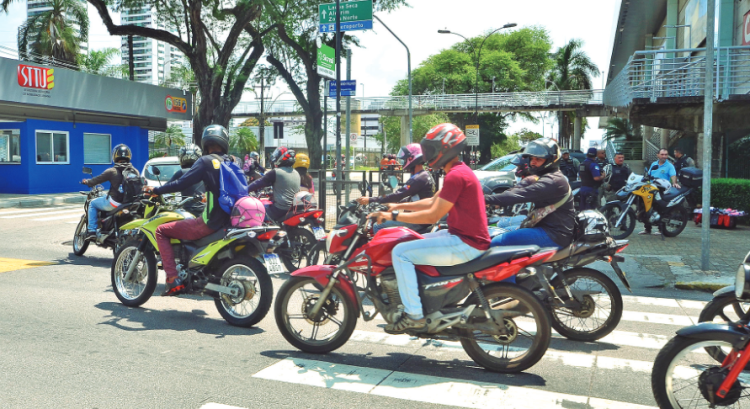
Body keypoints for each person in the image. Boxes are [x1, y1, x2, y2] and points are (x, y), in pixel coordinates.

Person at [368, 123, 490, 334]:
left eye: (432, 149)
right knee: (412, 241)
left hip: (465, 242)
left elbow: (434, 214)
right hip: (462, 237)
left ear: (446, 148)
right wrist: (399, 205)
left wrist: (392, 215)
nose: (428, 155)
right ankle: (427, 297)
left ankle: (414, 315)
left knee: (400, 253)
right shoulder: (458, 171)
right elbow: (432, 201)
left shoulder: (456, 175)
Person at [145, 125, 234, 296]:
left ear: (206, 143)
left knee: (161, 230)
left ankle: (172, 279)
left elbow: (180, 184)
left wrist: (155, 190)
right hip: (230, 220)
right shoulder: (232, 161)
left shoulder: (206, 162)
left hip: (210, 221)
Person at [485, 139, 575, 249]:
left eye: (538, 159)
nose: (533, 162)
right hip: (542, 227)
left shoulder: (553, 180)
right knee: (496, 232)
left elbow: (518, 195)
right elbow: (516, 190)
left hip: (554, 234)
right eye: (532, 158)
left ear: (551, 160)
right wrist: (494, 200)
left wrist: (483, 199)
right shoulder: (545, 176)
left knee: (497, 242)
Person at [357, 143, 436, 233]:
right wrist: (394, 204)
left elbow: (398, 195)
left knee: (378, 225)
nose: (403, 162)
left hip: (418, 220)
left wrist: (370, 199)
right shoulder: (425, 175)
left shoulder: (419, 178)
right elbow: (416, 197)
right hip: (421, 217)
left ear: (412, 158)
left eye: (405, 159)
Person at [82, 144, 139, 239]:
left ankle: (91, 231)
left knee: (92, 203)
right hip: (130, 203)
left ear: (115, 156)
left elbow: (96, 180)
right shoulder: (135, 171)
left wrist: (87, 181)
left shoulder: (112, 171)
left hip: (115, 202)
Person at [248, 146, 300, 222]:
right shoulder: (296, 172)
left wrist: (245, 189)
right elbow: (285, 188)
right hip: (292, 208)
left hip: (279, 209)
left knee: (254, 212)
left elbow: (258, 183)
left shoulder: (276, 172)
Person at [640, 148, 681, 235]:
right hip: (651, 188)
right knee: (646, 207)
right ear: (658, 155)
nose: (664, 156)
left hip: (662, 189)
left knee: (659, 207)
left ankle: (660, 229)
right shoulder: (654, 164)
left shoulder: (669, 166)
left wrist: (674, 183)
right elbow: (649, 175)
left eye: (666, 155)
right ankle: (647, 229)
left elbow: (673, 175)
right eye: (662, 154)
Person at [168, 144, 206, 217]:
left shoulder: (181, 172)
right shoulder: (205, 172)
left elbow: (167, 188)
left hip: (188, 211)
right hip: (205, 212)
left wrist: (157, 191)